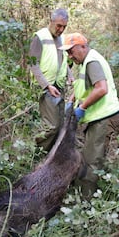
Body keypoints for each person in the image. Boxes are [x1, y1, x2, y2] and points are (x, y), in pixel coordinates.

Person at [59, 33, 119, 198]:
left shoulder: (92, 62)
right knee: (92, 156)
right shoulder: (85, 61)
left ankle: (86, 203)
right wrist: (72, 100)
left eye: (72, 52)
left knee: (91, 162)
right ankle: (91, 192)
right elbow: (84, 86)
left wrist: (82, 107)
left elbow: (101, 89)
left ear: (83, 47)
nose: (70, 56)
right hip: (97, 117)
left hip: (104, 117)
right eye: (68, 53)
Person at [28, 8, 73, 152]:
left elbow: (63, 61)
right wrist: (46, 86)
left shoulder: (61, 39)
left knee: (60, 124)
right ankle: (35, 150)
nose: (61, 29)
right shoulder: (40, 37)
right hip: (46, 88)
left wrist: (70, 74)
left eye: (64, 27)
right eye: (58, 26)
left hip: (58, 87)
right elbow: (32, 64)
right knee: (52, 126)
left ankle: (49, 154)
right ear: (51, 21)